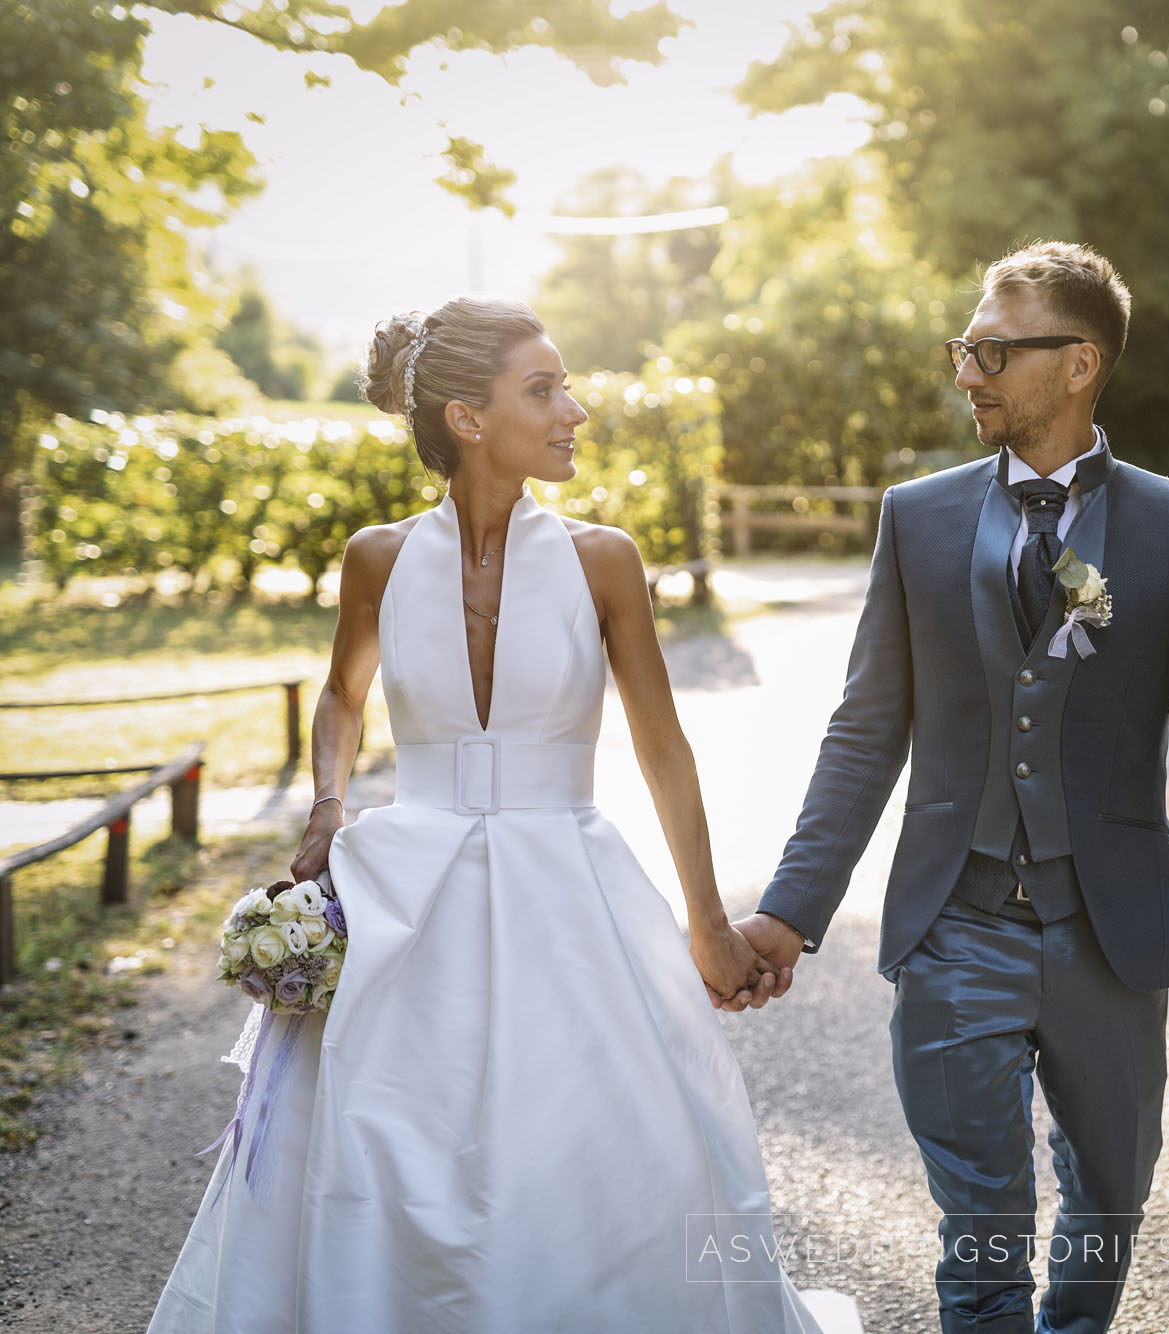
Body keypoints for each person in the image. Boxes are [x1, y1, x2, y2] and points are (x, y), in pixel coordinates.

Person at [148, 296, 821, 1333]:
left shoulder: (604, 559)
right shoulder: (376, 557)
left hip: (571, 884)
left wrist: (705, 922)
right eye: (544, 390)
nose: (575, 411)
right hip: (406, 889)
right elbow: (340, 693)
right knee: (386, 1132)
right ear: (467, 417)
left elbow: (659, 746)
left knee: (597, 1132)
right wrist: (327, 803)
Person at [738, 242, 1169, 1333]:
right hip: (953, 921)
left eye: (990, 350)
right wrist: (791, 910)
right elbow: (864, 729)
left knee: (1106, 1202)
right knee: (979, 1224)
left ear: (1078, 363)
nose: (965, 373)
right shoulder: (917, 516)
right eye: (960, 349)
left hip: (1109, 934)